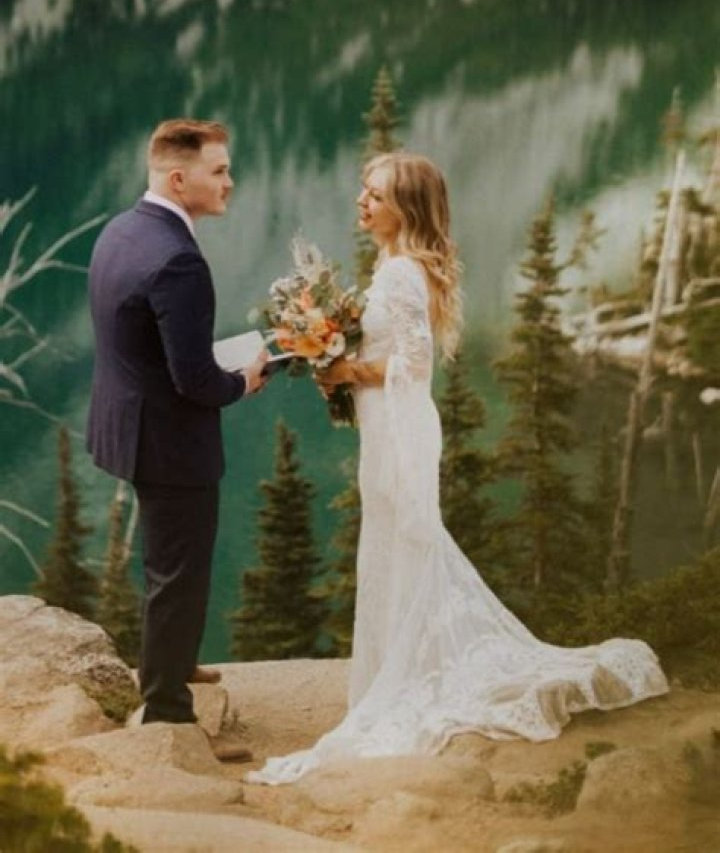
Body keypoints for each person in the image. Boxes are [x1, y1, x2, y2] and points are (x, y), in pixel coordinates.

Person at [248, 151, 668, 785]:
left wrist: (344, 368)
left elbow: (414, 367)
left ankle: (406, 678)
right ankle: (401, 670)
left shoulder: (401, 273)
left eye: (376, 195)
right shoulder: (395, 264)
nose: (362, 201)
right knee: (398, 543)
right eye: (364, 190)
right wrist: (335, 359)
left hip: (401, 430)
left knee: (409, 542)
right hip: (390, 426)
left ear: (405, 209)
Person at [87, 118, 268, 755]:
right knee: (178, 574)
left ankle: (178, 662)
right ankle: (167, 714)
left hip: (127, 421)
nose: (229, 182)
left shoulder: (122, 229)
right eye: (218, 171)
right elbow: (195, 381)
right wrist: (245, 381)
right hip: (169, 440)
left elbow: (142, 341)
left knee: (170, 565)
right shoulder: (179, 260)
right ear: (178, 178)